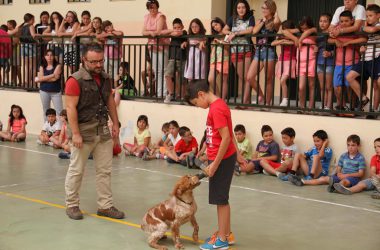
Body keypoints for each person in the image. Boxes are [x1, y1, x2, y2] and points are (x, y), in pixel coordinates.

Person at [64, 43, 124, 220]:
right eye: (94, 62)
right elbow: (70, 108)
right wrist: (75, 133)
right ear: (84, 60)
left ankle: (105, 206)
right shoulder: (75, 80)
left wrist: (115, 123)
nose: (98, 65)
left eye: (101, 60)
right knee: (77, 169)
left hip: (102, 129)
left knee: (105, 170)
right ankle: (72, 204)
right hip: (83, 131)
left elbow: (110, 100)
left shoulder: (105, 78)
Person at [186, 80, 246, 249]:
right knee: (221, 198)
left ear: (201, 94)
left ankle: (222, 240)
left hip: (221, 160)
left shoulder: (216, 109)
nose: (198, 106)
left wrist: (214, 165)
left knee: (221, 200)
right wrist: (238, 155)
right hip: (221, 157)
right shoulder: (218, 105)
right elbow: (228, 132)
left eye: (196, 103)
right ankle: (226, 233)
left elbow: (226, 138)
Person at [290, 135, 365, 193]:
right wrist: (338, 174)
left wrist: (346, 175)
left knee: (344, 182)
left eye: (353, 145)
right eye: (348, 145)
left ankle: (335, 187)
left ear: (358, 146)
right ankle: (303, 182)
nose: (350, 147)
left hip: (352, 178)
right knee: (323, 178)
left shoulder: (360, 158)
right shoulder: (343, 155)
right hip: (341, 175)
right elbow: (339, 168)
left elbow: (360, 174)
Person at [328, 10, 367, 111]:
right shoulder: (337, 29)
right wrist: (336, 40)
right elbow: (328, 39)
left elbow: (363, 39)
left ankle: (353, 107)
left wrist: (348, 42)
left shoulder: (355, 30)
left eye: (346, 21)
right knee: (337, 86)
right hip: (338, 63)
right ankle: (341, 105)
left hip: (352, 62)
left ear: (352, 20)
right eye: (341, 21)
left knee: (350, 87)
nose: (343, 23)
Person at [245, 0, 281, 106]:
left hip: (269, 51)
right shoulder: (260, 21)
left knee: (268, 79)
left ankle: (267, 103)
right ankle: (262, 95)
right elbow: (254, 32)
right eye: (262, 8)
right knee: (249, 77)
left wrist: (275, 13)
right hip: (259, 51)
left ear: (271, 9)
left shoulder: (275, 21)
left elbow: (278, 23)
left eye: (266, 8)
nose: (263, 10)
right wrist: (263, 21)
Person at [346, 4, 380, 113]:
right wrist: (362, 47)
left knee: (376, 84)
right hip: (365, 58)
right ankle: (364, 98)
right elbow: (366, 39)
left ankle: (374, 110)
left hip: (376, 58)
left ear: (378, 15)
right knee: (350, 77)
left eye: (370, 15)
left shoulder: (377, 25)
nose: (368, 18)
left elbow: (373, 29)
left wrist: (361, 27)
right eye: (367, 15)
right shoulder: (367, 27)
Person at [223, 0, 255, 105]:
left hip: (247, 50)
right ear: (236, 9)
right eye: (239, 7)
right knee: (241, 77)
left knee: (247, 77)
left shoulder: (250, 18)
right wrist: (231, 33)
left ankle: (244, 102)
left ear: (246, 8)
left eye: (243, 7)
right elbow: (224, 30)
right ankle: (246, 100)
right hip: (235, 51)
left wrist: (235, 33)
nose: (241, 9)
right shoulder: (232, 19)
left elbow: (250, 30)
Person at [283, 16, 317, 110]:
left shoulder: (313, 31)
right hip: (300, 62)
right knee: (301, 87)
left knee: (311, 85)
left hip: (311, 61)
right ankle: (302, 106)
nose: (303, 29)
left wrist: (300, 39)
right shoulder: (298, 32)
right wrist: (295, 38)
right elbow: (284, 31)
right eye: (302, 27)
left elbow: (308, 32)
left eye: (305, 26)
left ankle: (310, 107)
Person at [142, 0, 169, 98]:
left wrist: (151, 32)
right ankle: (159, 93)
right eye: (150, 7)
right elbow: (143, 32)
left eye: (154, 7)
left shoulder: (160, 16)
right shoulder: (146, 17)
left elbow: (158, 31)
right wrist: (150, 33)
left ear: (157, 7)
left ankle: (165, 93)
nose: (152, 9)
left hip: (163, 45)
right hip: (152, 46)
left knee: (164, 70)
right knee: (157, 70)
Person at [271, 20, 297, 107]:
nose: (283, 31)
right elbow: (272, 43)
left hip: (290, 61)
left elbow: (294, 43)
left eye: (285, 29)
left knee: (283, 80)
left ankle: (285, 99)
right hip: (282, 60)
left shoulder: (294, 37)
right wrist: (282, 41)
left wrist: (286, 41)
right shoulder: (281, 37)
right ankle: (284, 99)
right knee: (282, 81)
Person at [162, 18, 187, 103]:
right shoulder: (172, 32)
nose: (177, 29)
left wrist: (172, 33)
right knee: (167, 74)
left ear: (182, 26)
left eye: (178, 27)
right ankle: (171, 94)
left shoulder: (184, 32)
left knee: (182, 79)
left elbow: (178, 33)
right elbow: (161, 33)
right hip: (172, 58)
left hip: (182, 59)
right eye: (175, 27)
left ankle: (183, 97)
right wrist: (171, 31)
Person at [35, 49, 63, 122]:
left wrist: (43, 79)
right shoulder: (42, 66)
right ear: (45, 57)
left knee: (59, 111)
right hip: (44, 91)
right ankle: (46, 129)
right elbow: (44, 78)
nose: (49, 57)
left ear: (54, 57)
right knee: (46, 111)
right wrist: (53, 75)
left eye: (51, 55)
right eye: (47, 55)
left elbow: (55, 79)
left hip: (56, 92)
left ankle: (59, 130)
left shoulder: (58, 65)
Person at [316, 13, 334, 110]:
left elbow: (338, 49)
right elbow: (316, 46)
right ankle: (323, 105)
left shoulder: (332, 34)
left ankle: (329, 106)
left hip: (330, 62)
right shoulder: (318, 35)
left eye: (325, 21)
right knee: (322, 86)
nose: (322, 23)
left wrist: (330, 53)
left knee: (329, 86)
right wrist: (315, 48)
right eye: (321, 21)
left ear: (330, 23)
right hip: (319, 62)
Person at [208, 17, 230, 101]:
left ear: (220, 23)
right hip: (214, 60)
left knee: (224, 80)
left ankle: (223, 100)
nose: (215, 27)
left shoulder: (226, 34)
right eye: (213, 27)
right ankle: (218, 96)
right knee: (210, 79)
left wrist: (220, 41)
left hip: (224, 59)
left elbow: (228, 46)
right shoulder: (213, 36)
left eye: (216, 25)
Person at [19, 13, 38, 87]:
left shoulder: (21, 27)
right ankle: (33, 83)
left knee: (26, 66)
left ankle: (26, 82)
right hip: (30, 46)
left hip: (23, 46)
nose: (34, 21)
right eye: (33, 19)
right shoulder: (31, 26)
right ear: (31, 19)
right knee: (33, 66)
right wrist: (38, 38)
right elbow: (33, 36)